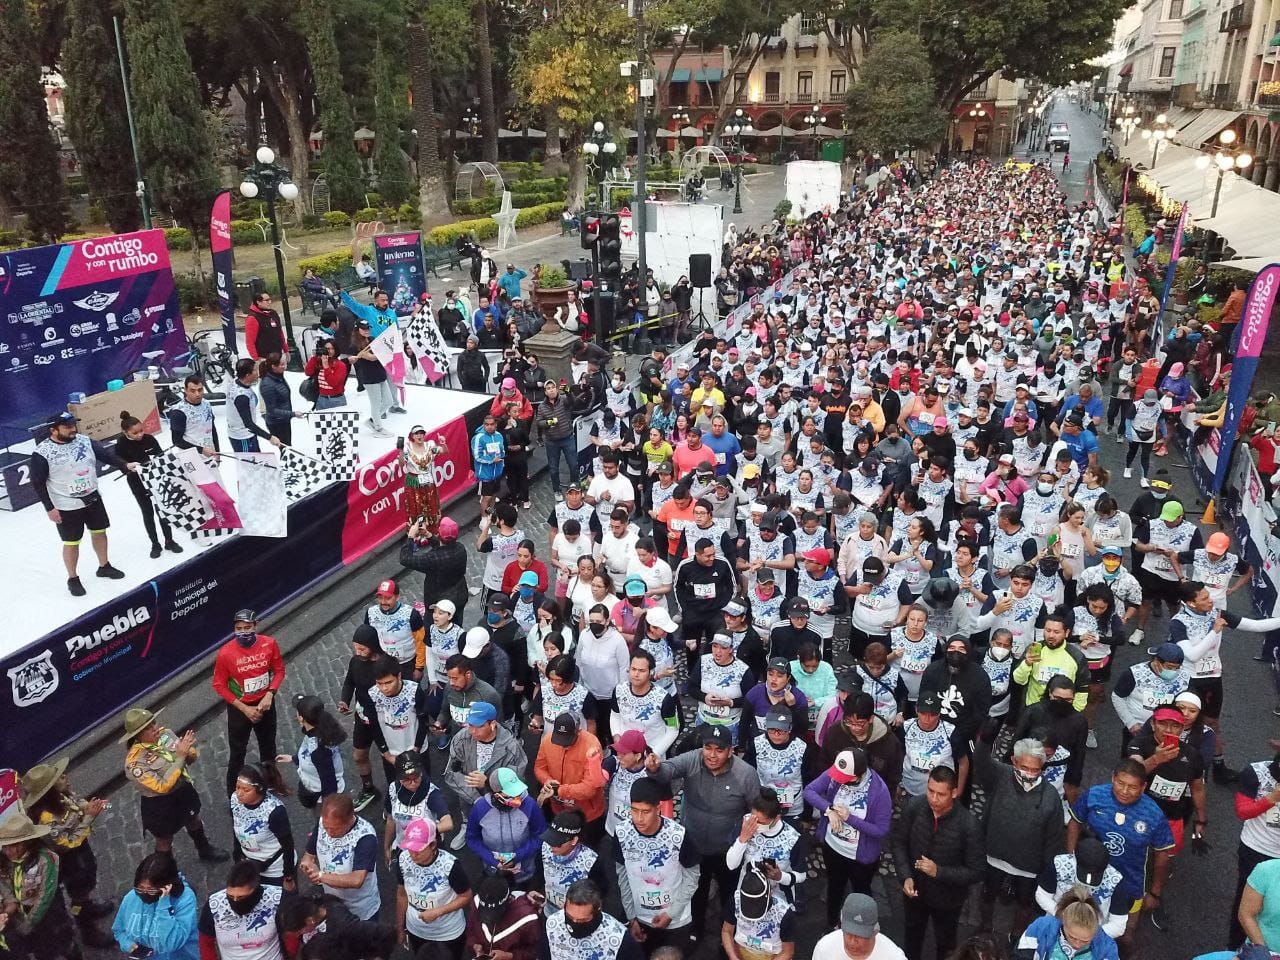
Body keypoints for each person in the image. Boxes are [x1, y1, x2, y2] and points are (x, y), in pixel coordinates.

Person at [645, 724, 761, 937]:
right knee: (696, 891)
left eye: (719, 750)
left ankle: (727, 934)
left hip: (728, 850)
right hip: (694, 846)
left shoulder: (746, 775)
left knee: (729, 894)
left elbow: (755, 811)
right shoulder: (693, 759)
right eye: (708, 748)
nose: (712, 755)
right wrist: (655, 768)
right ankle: (696, 931)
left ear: (730, 751)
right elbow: (668, 769)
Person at [1069, 759, 1174, 943]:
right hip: (1090, 878)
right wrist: (1071, 859)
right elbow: (1075, 822)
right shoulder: (1094, 796)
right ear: (1113, 778)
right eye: (1120, 783)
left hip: (1130, 884)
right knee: (1079, 927)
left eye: (1132, 787)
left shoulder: (1154, 815)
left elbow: (1162, 856)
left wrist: (1155, 892)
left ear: (1143, 787)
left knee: (1125, 936)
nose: (1124, 791)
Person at [30, 411, 134, 595]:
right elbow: (37, 482)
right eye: (67, 427)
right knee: (71, 542)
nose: (72, 429)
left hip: (93, 497)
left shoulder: (84, 440)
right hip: (67, 505)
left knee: (100, 532)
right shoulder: (42, 453)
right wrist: (49, 508)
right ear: (53, 430)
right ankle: (73, 578)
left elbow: (105, 455)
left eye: (73, 425)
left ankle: (104, 566)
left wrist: (124, 465)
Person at [974, 737, 1065, 939]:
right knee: (988, 892)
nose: (1030, 774)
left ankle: (1017, 934)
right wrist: (985, 741)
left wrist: (1048, 871)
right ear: (1014, 762)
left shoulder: (1051, 797)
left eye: (1035, 769)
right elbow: (981, 763)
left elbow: (1054, 837)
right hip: (994, 856)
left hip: (1029, 867)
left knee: (1025, 902)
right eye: (1025, 767)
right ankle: (985, 925)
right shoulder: (1000, 775)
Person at [892, 765, 985, 960]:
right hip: (914, 893)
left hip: (948, 900)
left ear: (954, 792)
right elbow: (899, 842)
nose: (934, 799)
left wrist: (939, 872)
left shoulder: (968, 826)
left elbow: (976, 871)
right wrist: (906, 876)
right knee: (911, 938)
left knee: (945, 944)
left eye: (940, 794)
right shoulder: (915, 807)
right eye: (930, 791)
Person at [19, 759, 112, 943]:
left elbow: (76, 803)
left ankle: (88, 905)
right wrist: (88, 819)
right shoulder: (46, 818)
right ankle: (87, 930)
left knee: (87, 880)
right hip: (70, 860)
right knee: (77, 890)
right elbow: (65, 843)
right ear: (49, 790)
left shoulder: (61, 797)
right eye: (60, 778)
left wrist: (88, 807)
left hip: (81, 850)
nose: (65, 778)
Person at [120, 706, 228, 861]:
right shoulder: (136, 763)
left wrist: (188, 750)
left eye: (154, 723)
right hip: (160, 803)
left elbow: (189, 758)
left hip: (182, 790)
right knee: (164, 839)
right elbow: (161, 786)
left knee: (193, 819)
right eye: (148, 729)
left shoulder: (166, 735)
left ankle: (204, 849)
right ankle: (165, 869)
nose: (155, 728)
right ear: (137, 736)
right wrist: (180, 756)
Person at [803, 749, 894, 928]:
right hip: (833, 847)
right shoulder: (839, 771)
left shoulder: (879, 791)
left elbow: (881, 830)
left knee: (861, 894)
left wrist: (850, 819)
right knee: (834, 888)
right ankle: (831, 925)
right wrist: (829, 810)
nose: (836, 779)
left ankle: (863, 930)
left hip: (861, 857)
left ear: (857, 776)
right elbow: (810, 791)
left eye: (843, 777)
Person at [613, 776, 702, 952]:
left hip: (676, 920)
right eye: (634, 810)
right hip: (640, 918)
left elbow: (692, 877)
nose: (639, 818)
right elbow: (622, 877)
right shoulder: (622, 833)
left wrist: (671, 913)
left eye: (645, 812)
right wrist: (631, 918)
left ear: (658, 809)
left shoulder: (679, 835)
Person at [212, 608, 287, 797]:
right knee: (237, 754)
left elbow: (279, 671)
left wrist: (270, 694)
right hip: (240, 709)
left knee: (268, 747)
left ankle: (271, 785)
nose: (244, 632)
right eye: (239, 628)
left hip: (265, 705)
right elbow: (219, 685)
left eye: (248, 627)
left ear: (256, 626)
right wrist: (244, 709)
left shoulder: (269, 644)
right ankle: (233, 795)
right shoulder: (226, 653)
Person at [442, 701, 526, 851]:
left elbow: (517, 782)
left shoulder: (511, 747)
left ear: (492, 724)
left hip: (500, 802)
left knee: (496, 838)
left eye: (479, 726)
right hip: (469, 796)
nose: (473, 731)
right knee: (469, 816)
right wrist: (478, 800)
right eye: (470, 725)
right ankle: (467, 826)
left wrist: (488, 784)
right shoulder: (461, 739)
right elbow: (451, 773)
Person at [0, 812, 82, 960]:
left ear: (28, 842)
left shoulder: (46, 859)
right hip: (19, 916)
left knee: (63, 940)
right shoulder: (4, 861)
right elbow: (5, 885)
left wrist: (29, 922)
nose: (8, 851)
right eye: (5, 847)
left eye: (14, 846)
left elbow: (46, 894)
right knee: (42, 950)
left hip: (48, 913)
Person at [392, 818, 470, 960]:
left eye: (418, 850)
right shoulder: (403, 860)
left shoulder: (451, 865)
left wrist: (438, 912)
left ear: (433, 845)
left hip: (448, 934)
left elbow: (466, 896)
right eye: (410, 848)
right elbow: (402, 894)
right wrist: (400, 928)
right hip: (416, 931)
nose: (413, 854)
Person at [300, 794, 381, 921]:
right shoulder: (323, 823)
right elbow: (309, 855)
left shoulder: (365, 837)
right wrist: (307, 864)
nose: (328, 833)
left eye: (335, 829)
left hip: (360, 908)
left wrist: (320, 876)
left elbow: (356, 880)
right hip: (333, 903)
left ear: (350, 819)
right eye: (326, 828)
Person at [114, 411, 183, 558]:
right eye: (135, 433)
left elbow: (161, 457)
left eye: (141, 431)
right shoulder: (120, 445)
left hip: (156, 479)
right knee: (148, 512)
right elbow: (120, 465)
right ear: (125, 432)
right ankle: (155, 544)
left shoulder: (150, 439)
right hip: (137, 482)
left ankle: (169, 540)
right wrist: (128, 467)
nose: (140, 435)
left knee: (162, 509)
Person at [111, 852, 200, 960]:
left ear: (167, 886)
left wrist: (164, 906)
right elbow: (119, 930)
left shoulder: (185, 899)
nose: (144, 893)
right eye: (141, 888)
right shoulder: (132, 897)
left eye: (151, 890)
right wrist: (127, 944)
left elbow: (172, 943)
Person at [534, 714, 607, 841]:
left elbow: (590, 788)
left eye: (568, 739)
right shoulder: (547, 740)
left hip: (587, 815)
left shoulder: (591, 746)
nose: (563, 744)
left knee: (589, 849)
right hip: (558, 810)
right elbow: (539, 768)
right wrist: (548, 781)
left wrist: (558, 790)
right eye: (559, 738)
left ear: (578, 730)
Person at [198, 861, 285, 960]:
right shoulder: (214, 904)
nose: (235, 901)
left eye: (241, 897)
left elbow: (291, 934)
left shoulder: (276, 899)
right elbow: (205, 942)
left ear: (255, 890)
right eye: (230, 896)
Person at [229, 764, 295, 890]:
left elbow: (288, 845)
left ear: (259, 789)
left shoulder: (275, 811)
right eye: (237, 787)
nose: (239, 793)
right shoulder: (234, 800)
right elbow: (236, 825)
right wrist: (237, 854)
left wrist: (288, 877)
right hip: (249, 864)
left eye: (246, 790)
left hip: (275, 869)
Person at [275, 693, 346, 809]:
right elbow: (308, 753)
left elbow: (329, 783)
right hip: (314, 788)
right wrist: (294, 758)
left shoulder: (319, 751)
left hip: (321, 798)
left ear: (301, 718)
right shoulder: (320, 731)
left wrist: (328, 809)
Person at [382, 750, 453, 864]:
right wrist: (386, 846)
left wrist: (420, 834)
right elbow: (391, 819)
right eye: (406, 779)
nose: (413, 783)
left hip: (428, 850)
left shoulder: (432, 793)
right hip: (404, 847)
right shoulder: (393, 789)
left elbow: (448, 823)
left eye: (416, 777)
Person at [545, 879, 645, 960]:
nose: (574, 923)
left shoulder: (619, 939)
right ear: (564, 906)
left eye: (582, 920)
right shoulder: (553, 925)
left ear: (598, 910)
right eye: (569, 917)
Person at [1014, 887, 1120, 960]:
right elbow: (1020, 956)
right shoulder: (1041, 928)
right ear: (1063, 921)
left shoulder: (1107, 948)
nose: (1077, 945)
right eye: (1072, 937)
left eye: (1085, 941)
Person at [464, 874, 540, 960]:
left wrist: (509, 956)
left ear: (508, 899)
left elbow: (533, 952)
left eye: (494, 912)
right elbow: (471, 929)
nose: (489, 919)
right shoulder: (476, 902)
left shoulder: (527, 917)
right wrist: (474, 945)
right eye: (486, 911)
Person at [810, 893, 907, 960]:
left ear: (875, 932)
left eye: (860, 936)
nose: (852, 942)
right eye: (848, 933)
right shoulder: (824, 948)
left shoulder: (894, 956)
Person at [226, 358, 284, 453]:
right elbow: (248, 424)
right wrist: (270, 437)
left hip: (249, 434)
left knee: (258, 463)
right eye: (255, 371)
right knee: (250, 466)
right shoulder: (241, 397)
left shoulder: (238, 381)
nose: (258, 373)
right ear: (247, 375)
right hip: (242, 437)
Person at [401, 425, 447, 535]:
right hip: (413, 480)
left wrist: (443, 443)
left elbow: (444, 451)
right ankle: (416, 532)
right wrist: (399, 452)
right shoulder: (407, 448)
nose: (419, 435)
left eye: (421, 433)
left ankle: (431, 530)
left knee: (431, 504)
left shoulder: (430, 445)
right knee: (415, 506)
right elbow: (402, 463)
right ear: (412, 436)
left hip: (427, 480)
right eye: (417, 433)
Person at [258, 355, 300, 445]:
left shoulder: (278, 376)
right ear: (273, 366)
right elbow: (272, 410)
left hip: (283, 420)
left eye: (285, 364)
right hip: (276, 423)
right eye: (282, 364)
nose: (285, 367)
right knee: (285, 449)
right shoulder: (267, 384)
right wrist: (293, 414)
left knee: (287, 446)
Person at [472, 415, 507, 514]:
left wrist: (502, 457)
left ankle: (490, 515)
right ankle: (484, 520)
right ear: (484, 425)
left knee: (494, 495)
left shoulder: (499, 435)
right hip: (485, 473)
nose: (489, 426)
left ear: (495, 425)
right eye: (487, 424)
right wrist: (491, 460)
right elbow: (477, 456)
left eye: (492, 424)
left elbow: (502, 450)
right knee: (486, 497)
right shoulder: (478, 438)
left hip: (497, 472)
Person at [304, 339, 350, 410]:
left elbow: (333, 383)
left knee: (337, 421)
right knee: (321, 421)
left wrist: (326, 366)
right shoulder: (320, 362)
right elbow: (308, 372)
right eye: (327, 349)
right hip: (322, 399)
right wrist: (315, 357)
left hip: (336, 400)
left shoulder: (340, 365)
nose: (330, 351)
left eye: (332, 349)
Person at [245, 291, 289, 360]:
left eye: (270, 299)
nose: (269, 302)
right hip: (264, 357)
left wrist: (286, 350)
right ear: (258, 302)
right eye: (266, 300)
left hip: (278, 354)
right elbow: (250, 342)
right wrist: (256, 359)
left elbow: (280, 332)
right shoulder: (252, 318)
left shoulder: (273, 313)